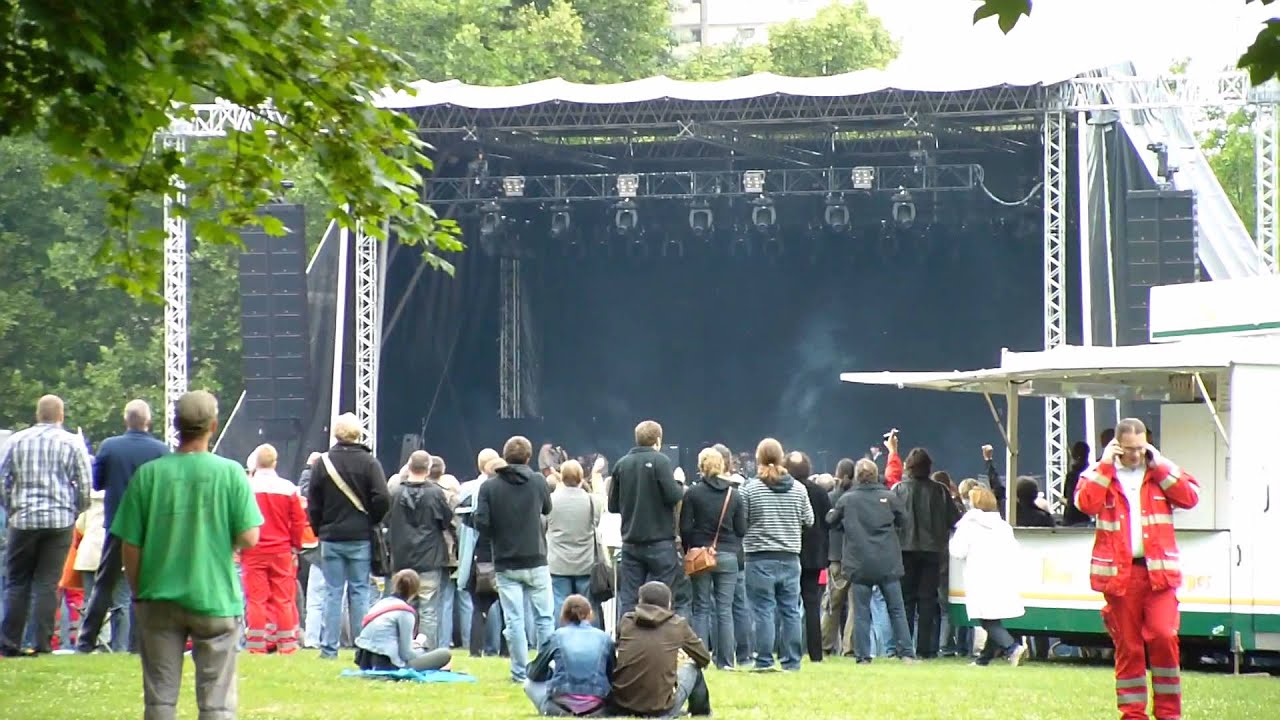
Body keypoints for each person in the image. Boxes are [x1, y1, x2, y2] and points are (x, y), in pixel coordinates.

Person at [111, 390, 263, 719]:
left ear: (175, 426)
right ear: (213, 424)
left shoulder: (148, 476)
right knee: (217, 704)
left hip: (159, 597)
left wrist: (140, 593)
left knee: (160, 700)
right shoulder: (231, 473)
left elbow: (130, 546)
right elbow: (250, 536)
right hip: (215, 598)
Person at [1076, 418, 1199, 720]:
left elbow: (1190, 497)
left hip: (1159, 574)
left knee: (1163, 636)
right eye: (1128, 449)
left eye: (1139, 448)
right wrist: (1105, 466)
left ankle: (1169, 713)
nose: (1134, 455)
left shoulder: (1160, 472)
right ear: (1116, 446)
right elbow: (1085, 503)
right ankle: (1133, 714)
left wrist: (1160, 464)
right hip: (1120, 576)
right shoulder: (1098, 474)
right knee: (1128, 646)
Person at [0, 394, 92, 656]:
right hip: (59, 521)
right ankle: (41, 644)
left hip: (23, 519)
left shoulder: (17, 441)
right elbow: (85, 486)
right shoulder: (72, 443)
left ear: (38, 414)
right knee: (47, 583)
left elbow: (2, 478)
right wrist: (74, 510)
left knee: (17, 582)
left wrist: (12, 507)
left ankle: (9, 643)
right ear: (61, 416)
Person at [78, 399, 168, 654]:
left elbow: (97, 483)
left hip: (117, 524)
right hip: (149, 526)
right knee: (145, 584)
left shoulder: (110, 446)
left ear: (126, 420)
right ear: (147, 421)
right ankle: (138, 643)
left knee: (104, 584)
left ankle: (86, 641)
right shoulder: (161, 451)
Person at [307, 412, 390, 660]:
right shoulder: (369, 462)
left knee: (332, 592)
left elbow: (313, 502)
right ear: (358, 434)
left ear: (335, 433)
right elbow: (383, 497)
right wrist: (373, 519)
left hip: (331, 536)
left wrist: (319, 527)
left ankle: (329, 649)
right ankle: (362, 647)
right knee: (359, 591)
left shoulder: (323, 463)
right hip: (360, 536)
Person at [473, 435, 555, 682]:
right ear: (529, 457)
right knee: (544, 619)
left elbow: (483, 524)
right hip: (536, 557)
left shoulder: (489, 486)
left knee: (514, 620)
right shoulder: (539, 481)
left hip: (506, 561)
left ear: (504, 456)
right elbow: (547, 509)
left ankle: (519, 673)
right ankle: (543, 670)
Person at [826, 458, 916, 663]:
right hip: (887, 561)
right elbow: (905, 521)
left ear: (857, 476)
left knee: (861, 611)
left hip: (859, 563)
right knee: (896, 609)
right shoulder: (889, 497)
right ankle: (907, 653)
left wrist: (845, 525)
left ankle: (863, 656)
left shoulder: (848, 499)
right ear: (876, 475)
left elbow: (830, 521)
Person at [741, 438, 813, 672]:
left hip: (759, 557)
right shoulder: (799, 489)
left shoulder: (750, 489)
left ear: (758, 458)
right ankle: (792, 661)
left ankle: (763, 660)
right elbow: (809, 520)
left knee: (763, 610)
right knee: (790, 609)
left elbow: (742, 522)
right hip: (790, 557)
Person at [609, 420, 689, 622]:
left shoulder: (621, 464)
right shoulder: (661, 461)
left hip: (631, 542)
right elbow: (673, 496)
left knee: (629, 597)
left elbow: (612, 506)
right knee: (662, 596)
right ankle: (659, 642)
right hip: (660, 541)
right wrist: (678, 482)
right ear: (658, 440)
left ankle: (625, 642)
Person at [678, 447, 747, 670]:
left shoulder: (693, 493)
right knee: (724, 609)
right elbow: (742, 528)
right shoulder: (733, 494)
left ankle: (699, 661)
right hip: (727, 555)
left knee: (701, 607)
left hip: (700, 554)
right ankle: (726, 661)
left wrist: (693, 547)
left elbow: (685, 528)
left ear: (701, 467)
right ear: (723, 466)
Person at [891, 442, 960, 659]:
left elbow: (890, 521)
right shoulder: (940, 491)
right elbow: (954, 520)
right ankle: (926, 649)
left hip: (904, 551)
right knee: (928, 600)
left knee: (906, 601)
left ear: (909, 466)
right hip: (932, 551)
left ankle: (905, 649)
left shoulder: (899, 490)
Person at [240, 444, 309, 655]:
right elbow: (298, 521)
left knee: (256, 599)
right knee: (284, 599)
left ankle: (256, 646)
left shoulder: (246, 488)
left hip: (253, 550)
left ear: (255, 463)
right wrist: (295, 546)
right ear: (275, 463)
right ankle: (287, 645)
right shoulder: (288, 488)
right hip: (281, 550)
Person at [949, 486, 1027, 667]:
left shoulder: (968, 525)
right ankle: (984, 659)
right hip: (1001, 575)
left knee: (987, 620)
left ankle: (1012, 648)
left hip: (979, 576)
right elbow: (1014, 551)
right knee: (994, 617)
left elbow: (958, 551)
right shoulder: (1003, 526)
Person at [385, 450, 455, 650]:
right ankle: (426, 652)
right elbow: (446, 521)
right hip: (429, 558)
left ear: (408, 466)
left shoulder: (395, 493)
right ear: (428, 468)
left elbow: (386, 520)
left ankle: (400, 649)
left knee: (401, 606)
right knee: (429, 610)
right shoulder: (435, 493)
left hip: (401, 559)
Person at [611, 581, 711, 718]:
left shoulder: (626, 621)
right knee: (693, 667)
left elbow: (618, 649)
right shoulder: (677, 624)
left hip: (622, 705)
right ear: (669, 603)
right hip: (660, 710)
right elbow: (704, 657)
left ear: (640, 601)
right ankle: (701, 712)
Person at [524, 594, 615, 716]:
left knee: (528, 683)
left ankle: (549, 710)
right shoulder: (604, 638)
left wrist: (550, 673)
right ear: (590, 613)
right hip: (597, 706)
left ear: (564, 615)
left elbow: (534, 673)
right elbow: (612, 674)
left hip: (561, 705)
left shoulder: (557, 636)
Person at [354, 569, 453, 672]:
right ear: (415, 590)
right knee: (444, 654)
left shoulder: (380, 604)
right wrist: (420, 648)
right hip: (389, 662)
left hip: (366, 659)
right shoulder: (405, 613)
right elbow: (406, 654)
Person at [546, 460, 604, 627]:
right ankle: (592, 640)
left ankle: (561, 640)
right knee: (589, 606)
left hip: (557, 563)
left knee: (559, 605)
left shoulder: (550, 501)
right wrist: (595, 475)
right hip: (585, 563)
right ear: (581, 479)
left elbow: (543, 525)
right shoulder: (593, 501)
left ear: (561, 478)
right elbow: (598, 514)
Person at [788, 451, 831, 663]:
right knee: (812, 604)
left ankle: (788, 649)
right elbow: (827, 522)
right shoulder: (820, 493)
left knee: (787, 605)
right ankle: (816, 653)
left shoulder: (787, 491)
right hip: (814, 556)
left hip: (790, 552)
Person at [821, 458, 856, 656]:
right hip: (855, 556)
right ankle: (849, 648)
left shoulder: (830, 498)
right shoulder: (857, 497)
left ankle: (825, 645)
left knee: (832, 604)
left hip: (835, 556)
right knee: (855, 606)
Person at [1062, 441, 1092, 526]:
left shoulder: (1072, 475)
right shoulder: (1091, 473)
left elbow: (1068, 498)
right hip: (1086, 517)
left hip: (1071, 518)